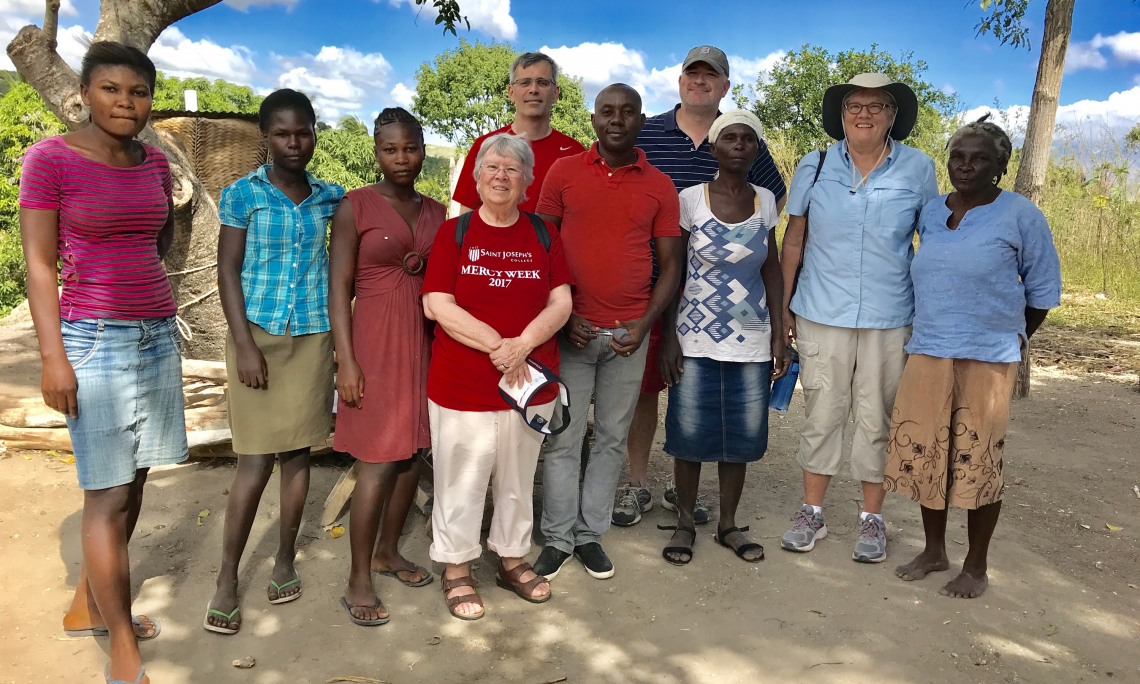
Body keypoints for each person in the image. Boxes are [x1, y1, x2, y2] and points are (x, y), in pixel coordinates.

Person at [20, 42, 183, 684]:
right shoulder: (51, 159)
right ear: (84, 93)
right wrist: (54, 356)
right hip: (93, 340)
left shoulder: (152, 162)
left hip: (156, 333)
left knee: (137, 479)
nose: (126, 102)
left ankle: (89, 604)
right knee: (107, 493)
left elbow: (157, 236)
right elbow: (38, 262)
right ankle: (122, 643)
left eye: (138, 91)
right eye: (111, 89)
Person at [885, 118, 1061, 598]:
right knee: (927, 453)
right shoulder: (931, 212)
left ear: (1001, 165)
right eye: (958, 156)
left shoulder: (1021, 215)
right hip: (928, 350)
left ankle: (976, 566)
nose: (966, 166)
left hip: (988, 358)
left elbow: (1043, 291)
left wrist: (1011, 338)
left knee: (977, 460)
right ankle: (934, 550)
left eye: (980, 157)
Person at [615, 45, 788, 528]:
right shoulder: (646, 133)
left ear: (725, 85)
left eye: (711, 76)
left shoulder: (744, 139)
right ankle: (637, 483)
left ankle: (678, 485)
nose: (700, 81)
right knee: (648, 390)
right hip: (647, 286)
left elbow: (766, 217)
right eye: (693, 73)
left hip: (708, 297)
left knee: (689, 395)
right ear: (680, 80)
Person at [777, 73, 939, 563]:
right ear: (842, 115)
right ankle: (812, 512)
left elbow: (931, 243)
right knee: (823, 411)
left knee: (876, 415)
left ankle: (872, 519)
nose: (864, 114)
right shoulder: (816, 163)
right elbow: (795, 239)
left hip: (891, 315)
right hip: (821, 311)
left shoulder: (918, 168)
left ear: (893, 116)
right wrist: (783, 307)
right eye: (854, 106)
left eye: (876, 106)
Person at [204, 89, 344, 635]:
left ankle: (285, 557)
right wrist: (243, 344)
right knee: (255, 460)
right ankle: (226, 577)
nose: (294, 142)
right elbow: (227, 270)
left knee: (297, 455)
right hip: (257, 337)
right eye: (283, 133)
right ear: (265, 137)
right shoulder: (243, 194)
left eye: (304, 131)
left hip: (311, 338)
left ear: (314, 132)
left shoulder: (331, 197)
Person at [533, 84, 683, 580]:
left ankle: (588, 533)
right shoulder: (564, 172)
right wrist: (563, 313)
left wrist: (645, 324)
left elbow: (670, 265)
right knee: (562, 437)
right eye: (606, 111)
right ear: (593, 120)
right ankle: (557, 536)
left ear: (642, 120)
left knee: (613, 439)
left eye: (627, 112)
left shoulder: (660, 186)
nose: (616, 119)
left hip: (627, 336)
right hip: (572, 332)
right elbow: (542, 248)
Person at [421, 133, 573, 620]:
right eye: (493, 167)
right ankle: (457, 567)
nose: (502, 176)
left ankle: (511, 556)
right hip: (462, 383)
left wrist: (523, 347)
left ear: (527, 182)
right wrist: (500, 347)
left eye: (513, 169)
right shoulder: (455, 233)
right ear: (477, 177)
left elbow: (562, 300)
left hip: (528, 383)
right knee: (459, 478)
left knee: (517, 475)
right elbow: (436, 303)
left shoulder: (544, 234)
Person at [329, 108, 444, 626]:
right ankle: (358, 577)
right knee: (376, 461)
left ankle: (388, 551)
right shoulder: (355, 207)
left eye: (411, 147)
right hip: (373, 346)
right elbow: (338, 290)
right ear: (376, 151)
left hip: (423, 345)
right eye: (390, 149)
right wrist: (346, 360)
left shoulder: (439, 213)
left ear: (423, 149)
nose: (402, 158)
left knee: (412, 455)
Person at [657, 111, 788, 565]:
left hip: (751, 337)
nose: (738, 145)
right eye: (728, 138)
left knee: (742, 434)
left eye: (747, 139)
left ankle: (728, 525)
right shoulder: (689, 199)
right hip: (693, 335)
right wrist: (670, 336)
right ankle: (686, 522)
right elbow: (672, 269)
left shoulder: (766, 200)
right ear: (713, 149)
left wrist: (778, 333)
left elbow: (770, 268)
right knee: (690, 432)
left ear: (756, 149)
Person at [451, 52, 584, 214]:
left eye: (542, 83)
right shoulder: (485, 147)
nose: (533, 89)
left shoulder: (575, 153)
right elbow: (466, 218)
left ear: (555, 93)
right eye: (525, 82)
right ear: (511, 93)